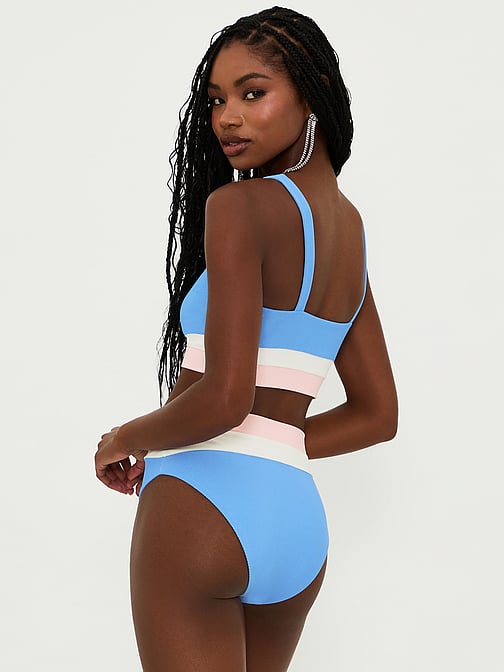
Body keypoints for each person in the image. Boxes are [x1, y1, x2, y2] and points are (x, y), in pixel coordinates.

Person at [95, 6, 398, 671]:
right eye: (216, 100)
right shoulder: (349, 231)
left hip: (202, 507)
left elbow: (225, 398)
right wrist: (272, 442)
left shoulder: (238, 206)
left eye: (252, 93)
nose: (226, 117)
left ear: (313, 92)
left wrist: (124, 437)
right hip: (296, 523)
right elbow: (379, 415)